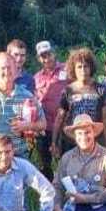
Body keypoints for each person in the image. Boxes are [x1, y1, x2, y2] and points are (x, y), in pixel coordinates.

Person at [52, 48, 106, 154]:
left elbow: (105, 119)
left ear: (91, 67)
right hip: (71, 142)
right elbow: (60, 117)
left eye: (85, 66)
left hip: (95, 140)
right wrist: (54, 142)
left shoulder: (101, 89)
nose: (83, 70)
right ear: (73, 69)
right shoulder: (68, 91)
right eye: (79, 67)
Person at [33, 40, 68, 175]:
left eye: (49, 54)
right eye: (43, 56)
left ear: (54, 53)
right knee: (45, 164)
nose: (47, 59)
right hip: (44, 127)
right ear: (38, 58)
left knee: (66, 162)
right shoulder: (36, 78)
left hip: (64, 126)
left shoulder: (67, 69)